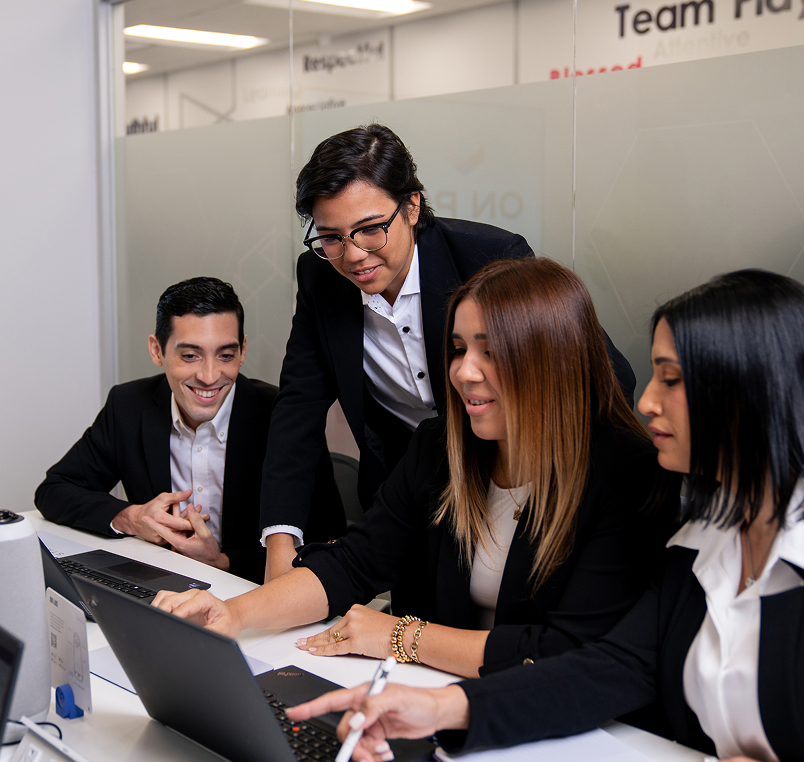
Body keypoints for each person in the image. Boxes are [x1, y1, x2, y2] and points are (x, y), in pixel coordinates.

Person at [287, 269, 804, 762]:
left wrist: (404, 639)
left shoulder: (633, 479)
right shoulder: (707, 536)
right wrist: (438, 709)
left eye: (670, 380)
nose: (646, 401)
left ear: (750, 394)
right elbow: (612, 666)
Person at [154, 258, 676, 682]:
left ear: (552, 359)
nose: (463, 372)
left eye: (491, 352)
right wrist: (234, 614)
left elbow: (567, 654)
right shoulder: (441, 446)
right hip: (440, 695)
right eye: (458, 348)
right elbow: (353, 564)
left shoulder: (626, 474)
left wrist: (400, 635)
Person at [260, 123, 637, 582]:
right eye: (332, 237)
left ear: (412, 205)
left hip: (512, 488)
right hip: (408, 497)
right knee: (404, 640)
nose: (353, 255)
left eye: (370, 229)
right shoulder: (320, 276)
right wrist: (281, 543)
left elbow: (607, 375)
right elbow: (297, 406)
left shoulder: (490, 258)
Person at [35, 277, 341, 584]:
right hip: (163, 589)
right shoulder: (127, 406)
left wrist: (222, 562)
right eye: (190, 355)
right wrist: (133, 518)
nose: (209, 376)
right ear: (157, 351)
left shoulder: (283, 415)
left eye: (225, 355)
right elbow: (54, 490)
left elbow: (330, 541)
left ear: (243, 350)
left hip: (257, 595)